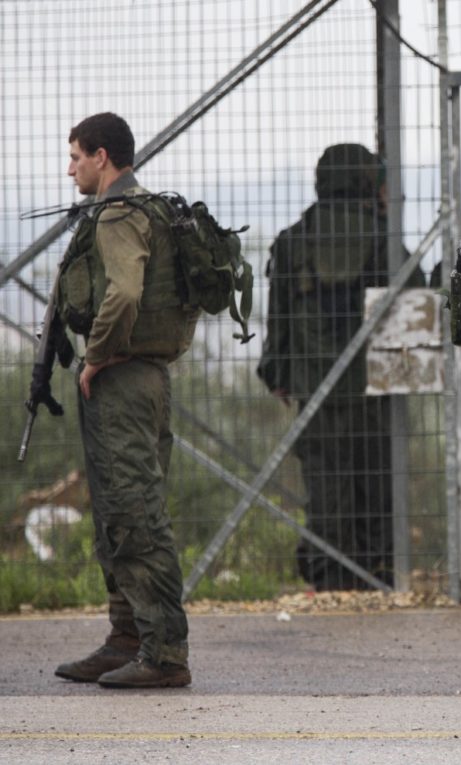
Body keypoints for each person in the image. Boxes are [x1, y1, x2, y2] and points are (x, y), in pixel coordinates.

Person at [53, 112, 199, 688]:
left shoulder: (118, 213)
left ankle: (164, 653)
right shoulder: (149, 207)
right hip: (141, 377)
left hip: (123, 379)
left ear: (102, 156)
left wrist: (96, 355)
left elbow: (125, 291)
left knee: (136, 515)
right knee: (119, 512)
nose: (70, 169)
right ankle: (127, 637)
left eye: (76, 157)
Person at [257, 144, 406, 591]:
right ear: (364, 180)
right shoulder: (384, 239)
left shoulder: (292, 241)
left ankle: (329, 579)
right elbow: (414, 304)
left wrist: (277, 374)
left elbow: (278, 318)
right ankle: (377, 575)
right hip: (375, 388)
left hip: (314, 387)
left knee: (325, 485)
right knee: (376, 480)